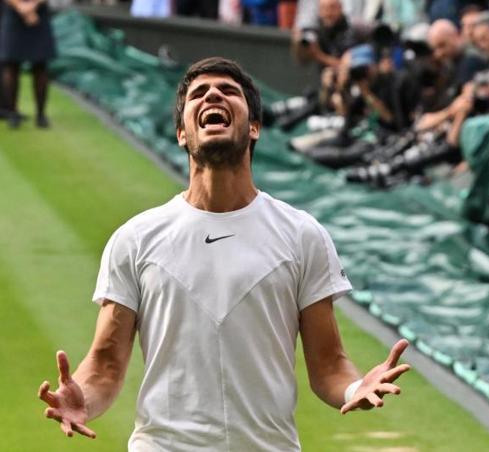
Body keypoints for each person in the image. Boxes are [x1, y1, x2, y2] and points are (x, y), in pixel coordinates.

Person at [37, 57, 410, 450]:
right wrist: (84, 398)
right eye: (198, 94)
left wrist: (354, 387)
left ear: (253, 128)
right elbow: (106, 364)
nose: (213, 94)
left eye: (228, 91)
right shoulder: (135, 239)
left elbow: (329, 364)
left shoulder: (302, 235)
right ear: (182, 133)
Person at [0, 0, 57, 128]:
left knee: (40, 65)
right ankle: (13, 113)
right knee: (11, 65)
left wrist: (31, 6)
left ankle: (41, 115)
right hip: (13, 14)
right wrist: (20, 6)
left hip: (39, 15)